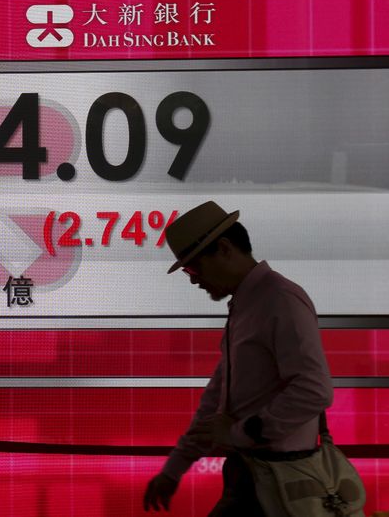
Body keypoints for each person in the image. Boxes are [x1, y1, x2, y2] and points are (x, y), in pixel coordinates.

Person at [143, 201, 334, 515]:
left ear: (224, 248)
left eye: (193, 267)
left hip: (278, 479)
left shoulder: (279, 300)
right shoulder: (247, 306)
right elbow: (216, 399)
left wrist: (239, 433)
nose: (193, 279)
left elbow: (315, 390)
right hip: (255, 476)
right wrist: (174, 469)